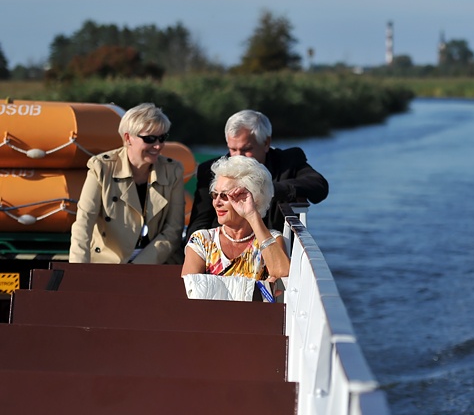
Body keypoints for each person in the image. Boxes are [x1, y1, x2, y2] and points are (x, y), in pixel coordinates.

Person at [69, 103, 184, 264]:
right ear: (128, 138)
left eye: (162, 138)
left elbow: (174, 230)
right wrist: (76, 270)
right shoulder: (101, 167)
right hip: (108, 264)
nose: (158, 145)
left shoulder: (173, 171)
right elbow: (84, 223)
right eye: (150, 139)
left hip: (156, 263)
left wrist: (137, 267)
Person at [186, 110, 328, 238]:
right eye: (232, 149)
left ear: (266, 143)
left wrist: (268, 190)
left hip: (274, 249)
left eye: (246, 149)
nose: (238, 157)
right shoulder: (210, 170)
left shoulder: (288, 161)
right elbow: (199, 224)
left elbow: (319, 186)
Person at [181, 156, 290, 300]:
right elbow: (190, 294)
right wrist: (256, 290)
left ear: (252, 199)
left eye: (225, 196)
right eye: (215, 194)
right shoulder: (202, 241)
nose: (216, 202)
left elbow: (285, 276)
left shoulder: (271, 240)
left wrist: (252, 214)